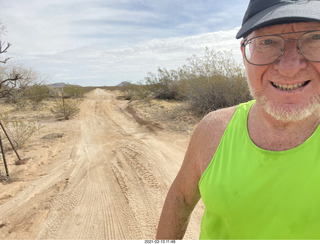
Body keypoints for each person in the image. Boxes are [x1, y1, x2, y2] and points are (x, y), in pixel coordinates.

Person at [156, 0, 320, 240]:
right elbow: (180, 197)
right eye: (267, 41)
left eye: (315, 38)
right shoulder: (213, 129)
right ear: (245, 54)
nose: (289, 68)